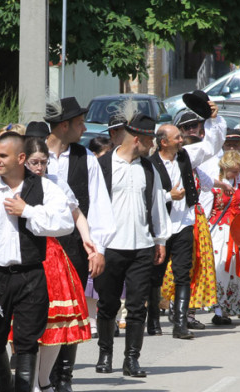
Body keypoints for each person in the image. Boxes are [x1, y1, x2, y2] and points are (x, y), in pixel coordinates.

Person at [0, 131, 74, 392]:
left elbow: (65, 223)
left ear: (21, 159)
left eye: (2, 156)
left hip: (31, 274)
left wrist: (27, 211)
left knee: (26, 342)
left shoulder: (44, 187)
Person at [44, 96, 115, 392]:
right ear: (64, 125)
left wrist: (97, 249)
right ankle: (37, 379)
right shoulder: (35, 154)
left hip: (74, 247)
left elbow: (99, 206)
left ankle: (64, 377)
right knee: (40, 313)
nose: (84, 127)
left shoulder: (85, 158)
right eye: (80, 122)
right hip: (39, 249)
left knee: (71, 312)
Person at [95, 111, 171, 377]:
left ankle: (132, 359)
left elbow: (157, 206)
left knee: (138, 306)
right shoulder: (102, 166)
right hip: (110, 247)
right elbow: (91, 207)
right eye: (151, 141)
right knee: (107, 304)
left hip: (141, 247)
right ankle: (105, 354)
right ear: (137, 139)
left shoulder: (149, 169)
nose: (153, 146)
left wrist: (160, 240)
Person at [24, 137, 95, 392]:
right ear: (24, 160)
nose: (40, 167)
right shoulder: (15, 184)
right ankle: (29, 386)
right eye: (34, 162)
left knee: (55, 322)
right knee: (26, 326)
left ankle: (44, 380)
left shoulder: (55, 183)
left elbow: (76, 214)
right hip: (25, 255)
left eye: (43, 162)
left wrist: (89, 242)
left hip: (52, 256)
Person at [148, 94, 225, 340]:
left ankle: (180, 323)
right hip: (160, 227)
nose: (183, 139)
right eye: (177, 137)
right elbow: (145, 198)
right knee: (155, 274)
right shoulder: (149, 165)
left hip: (184, 223)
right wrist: (169, 196)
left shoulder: (185, 155)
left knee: (183, 272)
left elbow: (211, 145)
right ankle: (152, 321)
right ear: (163, 143)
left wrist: (214, 119)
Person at [203, 151, 240, 323]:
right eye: (233, 171)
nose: (236, 174)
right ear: (224, 168)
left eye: (238, 170)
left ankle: (237, 306)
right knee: (219, 266)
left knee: (239, 266)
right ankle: (218, 310)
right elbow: (207, 206)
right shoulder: (214, 180)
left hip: (237, 228)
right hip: (219, 227)